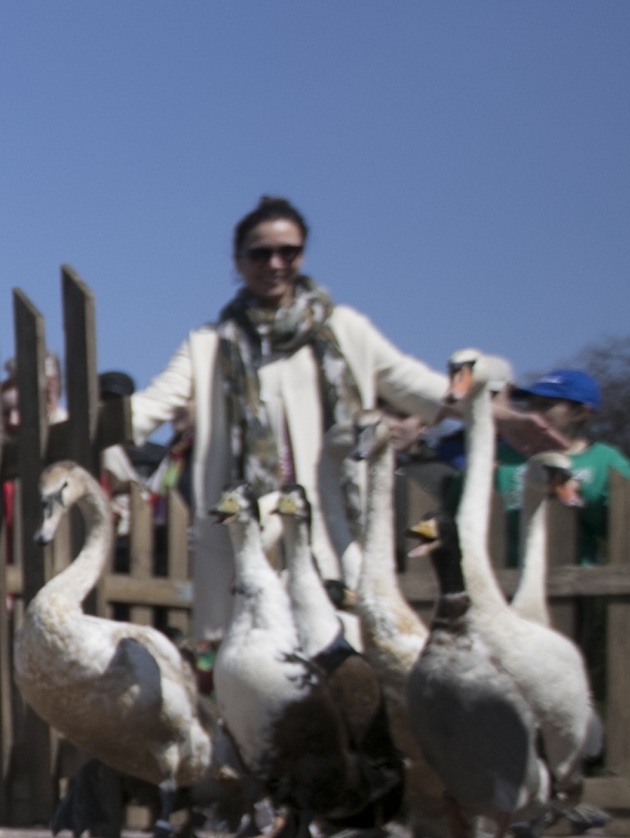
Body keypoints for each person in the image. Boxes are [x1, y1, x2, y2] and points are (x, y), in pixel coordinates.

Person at [128, 196, 448, 642]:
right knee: (255, 673)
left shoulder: (346, 331)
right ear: (238, 262)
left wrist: (495, 408)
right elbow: (148, 408)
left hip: (332, 539)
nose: (275, 263)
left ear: (302, 255)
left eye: (289, 252)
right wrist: (72, 425)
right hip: (248, 547)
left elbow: (418, 386)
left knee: (344, 660)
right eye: (260, 253)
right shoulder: (209, 345)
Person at [497, 369, 630, 567]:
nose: (533, 412)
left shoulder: (606, 462)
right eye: (530, 404)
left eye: (545, 405)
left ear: (580, 412)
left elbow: (621, 528)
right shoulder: (500, 457)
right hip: (501, 584)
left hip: (573, 587)